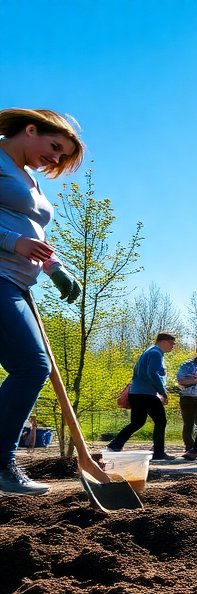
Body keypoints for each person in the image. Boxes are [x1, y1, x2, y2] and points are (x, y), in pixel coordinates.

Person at [0, 109, 84, 496]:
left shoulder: (28, 178)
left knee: (32, 365)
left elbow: (32, 230)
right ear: (30, 129)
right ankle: (2, 464)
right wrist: (11, 243)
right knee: (32, 366)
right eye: (53, 148)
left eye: (61, 156)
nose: (55, 160)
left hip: (18, 282)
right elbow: (17, 236)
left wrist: (55, 267)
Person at [107, 332, 177, 460]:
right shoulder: (155, 353)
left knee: (137, 422)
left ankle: (115, 445)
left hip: (136, 393)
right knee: (161, 421)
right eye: (172, 343)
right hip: (147, 394)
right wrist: (162, 391)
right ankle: (159, 452)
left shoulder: (149, 351)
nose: (173, 346)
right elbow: (153, 374)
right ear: (164, 341)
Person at [176, 341, 197, 452]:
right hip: (188, 397)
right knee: (188, 423)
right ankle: (189, 446)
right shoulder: (187, 365)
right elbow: (181, 381)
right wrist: (196, 380)